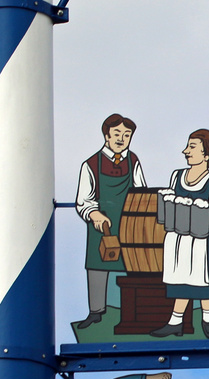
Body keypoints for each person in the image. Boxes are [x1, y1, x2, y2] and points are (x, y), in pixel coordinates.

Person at [150, 129, 209, 339]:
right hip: (178, 237)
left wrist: (200, 220)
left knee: (207, 282)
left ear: (206, 155)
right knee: (180, 279)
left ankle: (208, 318)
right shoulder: (177, 176)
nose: (186, 151)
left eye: (192, 147)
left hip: (202, 239)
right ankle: (175, 322)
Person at [73, 113, 147, 331]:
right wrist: (94, 215)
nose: (121, 139)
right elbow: (83, 200)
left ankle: (132, 313)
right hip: (101, 226)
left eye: (127, 135)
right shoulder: (90, 164)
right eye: (117, 134)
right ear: (106, 135)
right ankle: (96, 312)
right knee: (98, 267)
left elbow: (141, 190)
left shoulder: (133, 161)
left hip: (129, 224)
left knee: (133, 265)